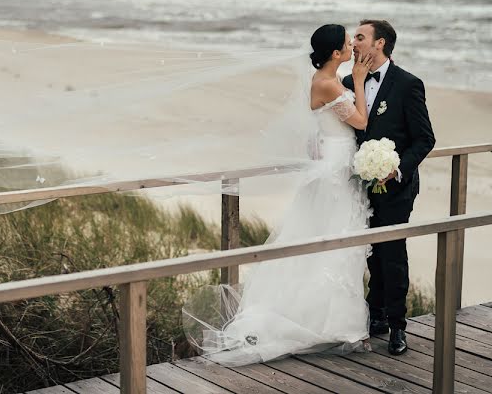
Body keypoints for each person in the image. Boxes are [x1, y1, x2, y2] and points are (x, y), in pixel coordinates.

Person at [183, 24, 377, 364]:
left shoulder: (325, 80)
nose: (351, 48)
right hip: (334, 169)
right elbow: (360, 122)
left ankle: (337, 323)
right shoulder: (328, 83)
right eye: (347, 44)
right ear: (336, 53)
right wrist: (359, 80)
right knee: (332, 238)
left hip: (337, 161)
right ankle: (325, 324)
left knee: (338, 241)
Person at [342, 19, 435, 355]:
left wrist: (396, 169)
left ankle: (398, 326)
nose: (354, 43)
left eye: (361, 37)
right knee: (371, 253)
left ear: (379, 44)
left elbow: (425, 139)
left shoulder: (408, 84)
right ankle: (375, 314)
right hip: (359, 187)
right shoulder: (346, 82)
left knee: (393, 255)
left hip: (396, 187)